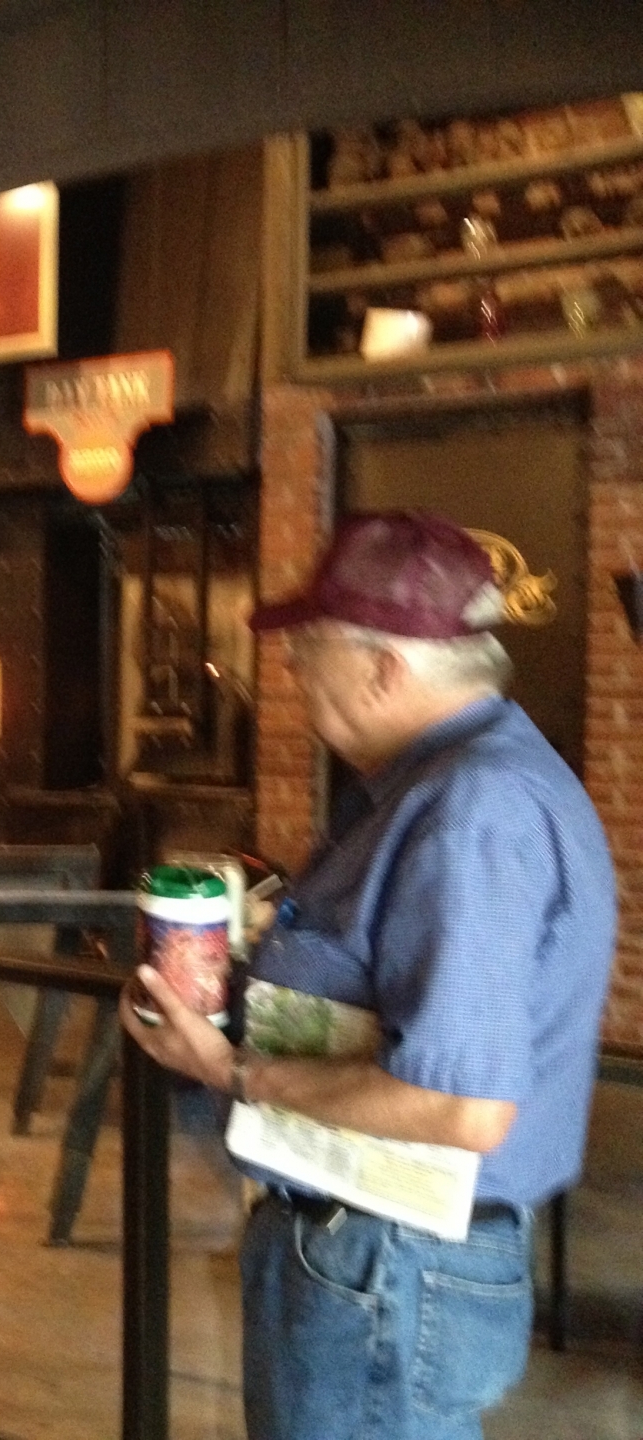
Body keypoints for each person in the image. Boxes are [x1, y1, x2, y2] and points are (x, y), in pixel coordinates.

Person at [121, 511, 615, 1440]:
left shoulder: (472, 809)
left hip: (385, 1265)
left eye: (308, 650)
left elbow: (460, 1107)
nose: (292, 670)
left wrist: (229, 1071)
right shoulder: (450, 784)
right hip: (375, 1256)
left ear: (385, 667)